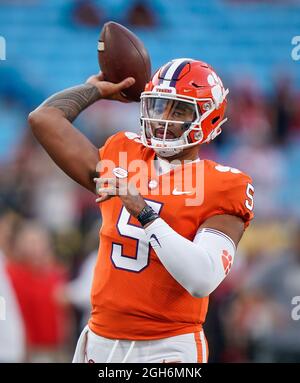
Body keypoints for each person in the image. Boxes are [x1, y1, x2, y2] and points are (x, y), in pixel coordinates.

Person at [28, 58, 255, 363]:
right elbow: (44, 118)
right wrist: (92, 90)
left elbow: (202, 279)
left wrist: (143, 211)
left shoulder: (224, 184)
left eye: (180, 110)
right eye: (160, 106)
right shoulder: (124, 151)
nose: (164, 119)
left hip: (167, 346)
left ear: (209, 118)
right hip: (101, 338)